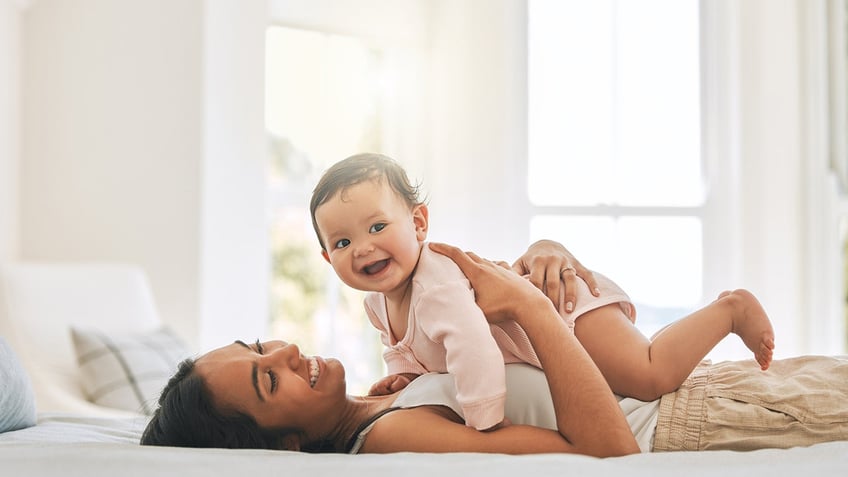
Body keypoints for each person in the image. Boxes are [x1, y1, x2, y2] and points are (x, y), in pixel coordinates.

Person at [140, 242, 848, 454]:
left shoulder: (384, 394)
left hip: (709, 385)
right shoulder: (392, 437)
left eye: (261, 344)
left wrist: (545, 261)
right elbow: (605, 455)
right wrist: (538, 308)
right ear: (281, 448)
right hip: (682, 423)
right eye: (269, 380)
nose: (288, 350)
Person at [308, 153, 774, 430]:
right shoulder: (378, 304)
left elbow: (475, 352)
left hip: (563, 309)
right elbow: (407, 348)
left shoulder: (435, 286)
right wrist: (405, 380)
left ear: (419, 224)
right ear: (329, 259)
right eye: (343, 242)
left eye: (377, 226)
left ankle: (730, 310)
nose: (364, 248)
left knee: (649, 374)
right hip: (547, 337)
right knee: (624, 387)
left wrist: (484, 421)